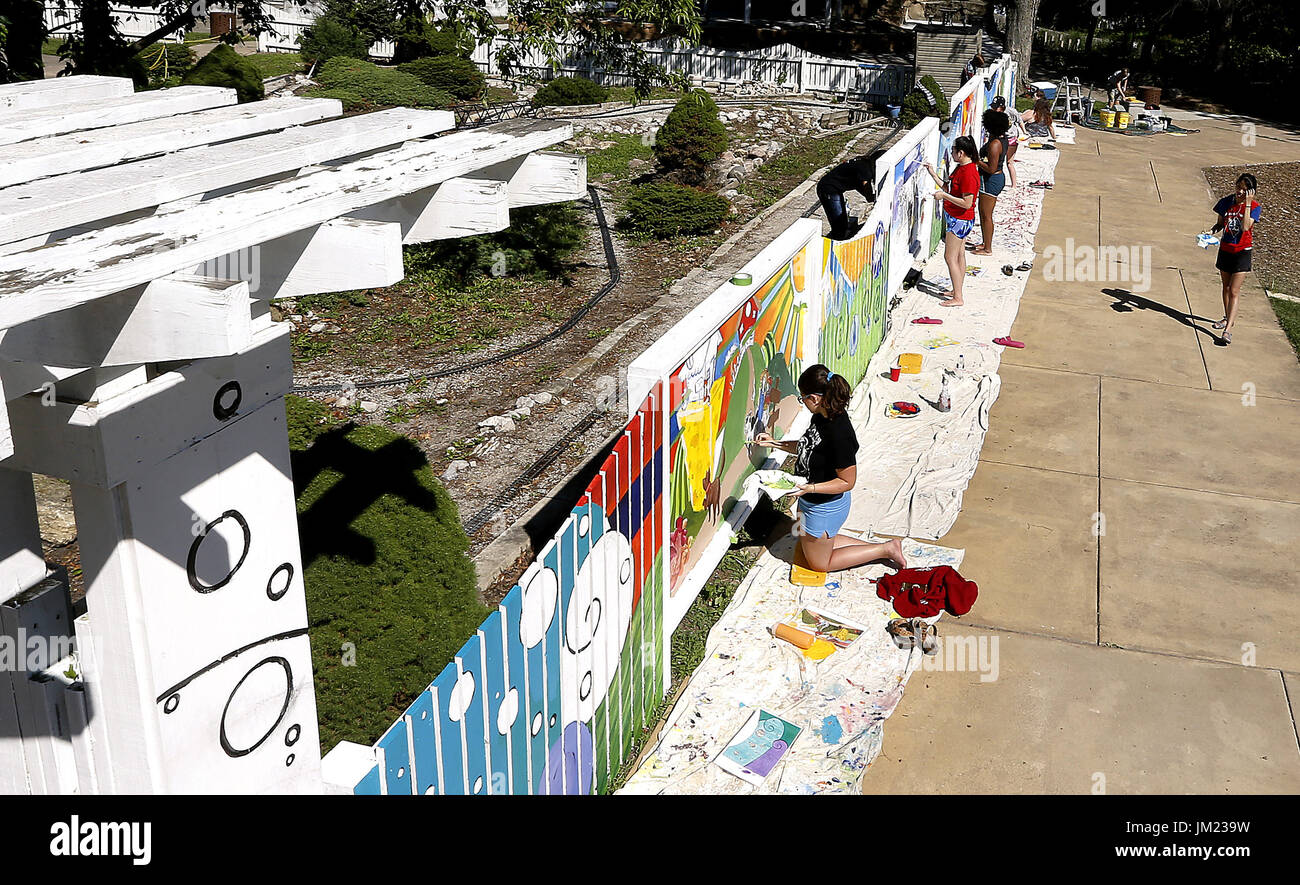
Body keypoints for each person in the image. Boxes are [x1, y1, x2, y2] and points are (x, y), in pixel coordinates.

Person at [752, 365, 906, 573]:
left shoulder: (840, 435)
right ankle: (843, 543)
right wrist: (775, 444)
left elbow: (847, 482)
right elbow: (808, 446)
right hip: (809, 499)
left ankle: (885, 549)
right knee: (804, 538)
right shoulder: (821, 417)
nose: (803, 402)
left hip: (824, 507)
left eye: (802, 398)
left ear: (815, 398)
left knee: (818, 564)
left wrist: (810, 488)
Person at [923, 135, 979, 308]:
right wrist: (932, 173)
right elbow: (949, 187)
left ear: (961, 153)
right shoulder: (961, 168)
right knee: (959, 255)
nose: (952, 153)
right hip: (959, 218)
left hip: (960, 220)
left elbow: (966, 202)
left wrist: (944, 197)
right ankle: (957, 290)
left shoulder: (969, 173)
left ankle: (958, 297)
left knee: (950, 257)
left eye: (954, 151)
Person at [1207, 173, 1262, 345]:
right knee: (1225, 287)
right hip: (1225, 250)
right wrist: (1209, 233)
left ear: (1251, 192)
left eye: (1245, 190)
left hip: (1242, 252)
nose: (1240, 192)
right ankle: (1227, 317)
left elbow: (1246, 227)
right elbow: (1220, 224)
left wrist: (1246, 204)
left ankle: (1228, 329)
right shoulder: (1226, 202)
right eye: (1238, 187)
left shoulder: (1254, 206)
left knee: (1234, 291)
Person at [816, 149, 884, 240]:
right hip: (829, 189)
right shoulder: (865, 169)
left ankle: (840, 236)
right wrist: (870, 196)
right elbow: (864, 184)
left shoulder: (862, 164)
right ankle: (836, 240)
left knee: (842, 221)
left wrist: (869, 196)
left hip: (833, 189)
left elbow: (857, 184)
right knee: (838, 223)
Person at [972, 109, 1009, 256]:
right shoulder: (1001, 139)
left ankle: (988, 248)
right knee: (983, 213)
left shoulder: (994, 144)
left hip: (991, 180)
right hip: (994, 179)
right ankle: (985, 242)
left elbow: (991, 168)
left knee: (986, 215)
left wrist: (976, 160)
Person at [991, 96, 1022, 187]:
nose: (994, 109)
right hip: (1001, 139)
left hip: (1011, 138)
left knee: (1009, 163)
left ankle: (1014, 185)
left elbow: (1019, 121)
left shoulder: (1010, 111)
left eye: (996, 107)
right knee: (996, 161)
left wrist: (1024, 132)